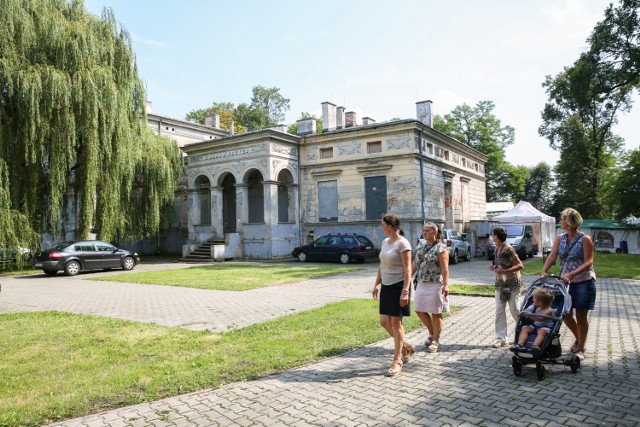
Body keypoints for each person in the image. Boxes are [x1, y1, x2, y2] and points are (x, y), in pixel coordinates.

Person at [541, 208, 595, 360]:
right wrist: (544, 270)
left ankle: (581, 348)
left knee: (581, 316)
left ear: (570, 222)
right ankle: (579, 338)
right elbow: (552, 255)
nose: (560, 222)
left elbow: (589, 261)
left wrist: (572, 274)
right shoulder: (560, 238)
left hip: (584, 281)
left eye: (562, 219)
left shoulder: (585, 239)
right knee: (565, 314)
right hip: (565, 282)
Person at [372, 213, 414, 376]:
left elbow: (408, 269)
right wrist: (376, 283)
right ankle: (406, 346)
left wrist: (405, 291)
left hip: (399, 286)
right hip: (386, 286)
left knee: (396, 324)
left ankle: (397, 361)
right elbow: (382, 265)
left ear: (390, 226)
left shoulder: (403, 243)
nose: (381, 227)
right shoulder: (385, 242)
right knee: (384, 322)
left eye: (383, 225)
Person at [411, 222, 450, 353]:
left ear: (434, 232)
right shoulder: (421, 246)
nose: (424, 232)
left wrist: (446, 285)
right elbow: (415, 264)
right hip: (421, 283)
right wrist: (405, 279)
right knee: (419, 309)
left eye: (427, 230)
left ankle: (435, 340)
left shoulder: (441, 248)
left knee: (435, 312)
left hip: (435, 284)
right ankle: (432, 332)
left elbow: (445, 269)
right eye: (424, 230)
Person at [489, 226, 524, 348]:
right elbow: (499, 264)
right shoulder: (496, 248)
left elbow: (520, 265)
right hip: (500, 285)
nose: (492, 237)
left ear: (496, 236)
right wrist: (494, 267)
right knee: (499, 311)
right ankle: (502, 339)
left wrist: (505, 271)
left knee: (515, 312)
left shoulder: (508, 249)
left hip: (512, 285)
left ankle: (524, 334)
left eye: (493, 234)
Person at [511, 288, 556, 357]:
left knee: (542, 331)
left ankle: (535, 347)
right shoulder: (537, 308)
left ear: (540, 302)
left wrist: (528, 314)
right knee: (525, 328)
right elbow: (528, 311)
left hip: (545, 327)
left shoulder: (549, 311)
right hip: (535, 326)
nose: (532, 300)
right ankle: (520, 344)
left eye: (534, 299)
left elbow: (539, 319)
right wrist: (524, 312)